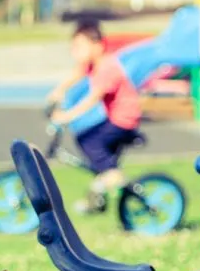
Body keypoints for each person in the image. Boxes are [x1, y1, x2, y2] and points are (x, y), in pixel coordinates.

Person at [45, 19, 143, 214]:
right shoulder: (93, 64)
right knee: (90, 144)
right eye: (73, 46)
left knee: (89, 141)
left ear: (98, 46)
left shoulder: (107, 68)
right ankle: (102, 185)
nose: (74, 51)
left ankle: (111, 177)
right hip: (115, 118)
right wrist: (58, 91)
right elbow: (77, 74)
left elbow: (92, 99)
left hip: (123, 121)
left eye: (80, 46)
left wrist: (66, 117)